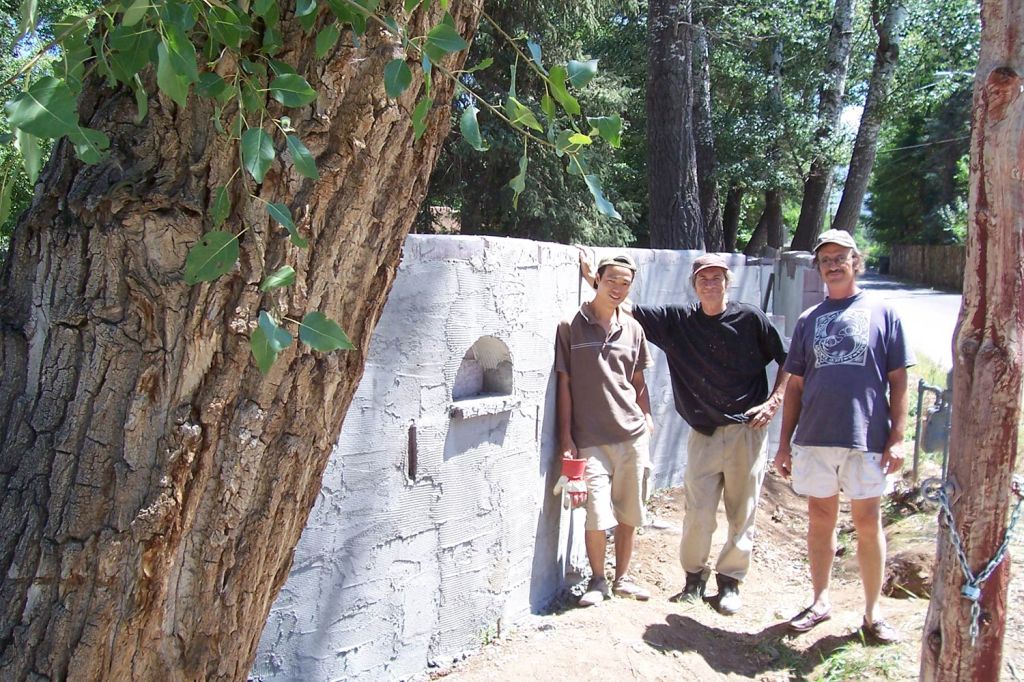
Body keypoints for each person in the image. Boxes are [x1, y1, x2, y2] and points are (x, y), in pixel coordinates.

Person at [582, 252, 789, 615]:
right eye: (703, 279)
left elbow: (789, 359)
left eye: (717, 278)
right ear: (694, 285)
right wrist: (595, 282)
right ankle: (694, 580)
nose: (710, 284)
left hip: (746, 431)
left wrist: (774, 402)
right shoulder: (679, 322)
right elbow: (626, 307)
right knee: (697, 513)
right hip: (703, 433)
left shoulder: (750, 318)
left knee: (742, 511)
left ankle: (730, 584)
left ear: (728, 282)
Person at [773, 229, 913, 644]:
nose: (833, 264)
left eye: (841, 257)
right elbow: (794, 385)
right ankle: (820, 601)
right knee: (820, 519)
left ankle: (872, 614)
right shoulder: (808, 320)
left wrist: (899, 437)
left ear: (856, 260)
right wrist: (784, 443)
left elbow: (900, 380)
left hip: (867, 437)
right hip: (815, 437)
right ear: (818, 267)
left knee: (868, 523)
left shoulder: (883, 312)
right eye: (826, 259)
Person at [555, 253, 655, 607]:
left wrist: (647, 416)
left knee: (630, 512)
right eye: (611, 280)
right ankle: (598, 581)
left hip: (631, 435)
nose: (618, 288)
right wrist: (566, 439)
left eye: (625, 283)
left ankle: (623, 577)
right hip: (590, 440)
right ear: (596, 278)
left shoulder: (633, 328)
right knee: (596, 514)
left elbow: (638, 379)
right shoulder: (571, 326)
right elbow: (565, 385)